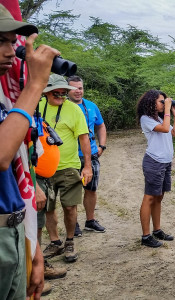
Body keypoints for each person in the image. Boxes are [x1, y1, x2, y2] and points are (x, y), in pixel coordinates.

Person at [0, 3, 60, 298]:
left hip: (12, 227)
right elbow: (1, 155)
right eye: (1, 40)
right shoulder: (21, 97)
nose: (11, 53)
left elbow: (16, 166)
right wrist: (35, 84)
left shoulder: (5, 102)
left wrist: (34, 253)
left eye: (13, 42)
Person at [37, 74, 93, 263]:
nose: (61, 96)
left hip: (68, 167)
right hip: (43, 169)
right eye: (56, 93)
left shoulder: (74, 110)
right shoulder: (37, 107)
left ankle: (69, 241)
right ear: (46, 92)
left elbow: (84, 138)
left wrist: (87, 166)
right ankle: (54, 241)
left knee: (70, 206)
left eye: (64, 93)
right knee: (48, 207)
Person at [137, 89, 175, 248]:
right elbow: (163, 129)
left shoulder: (163, 118)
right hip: (154, 162)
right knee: (149, 197)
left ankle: (157, 230)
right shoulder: (146, 119)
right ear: (151, 102)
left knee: (159, 197)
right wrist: (168, 110)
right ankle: (146, 236)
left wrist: (174, 114)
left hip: (166, 162)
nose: (164, 104)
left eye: (164, 101)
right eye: (161, 101)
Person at [67, 75, 107, 236]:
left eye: (80, 88)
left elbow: (101, 125)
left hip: (90, 154)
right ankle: (73, 223)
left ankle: (90, 221)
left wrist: (102, 145)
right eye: (74, 88)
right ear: (67, 89)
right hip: (71, 156)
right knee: (73, 191)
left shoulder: (91, 106)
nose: (78, 91)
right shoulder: (62, 107)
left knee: (91, 189)